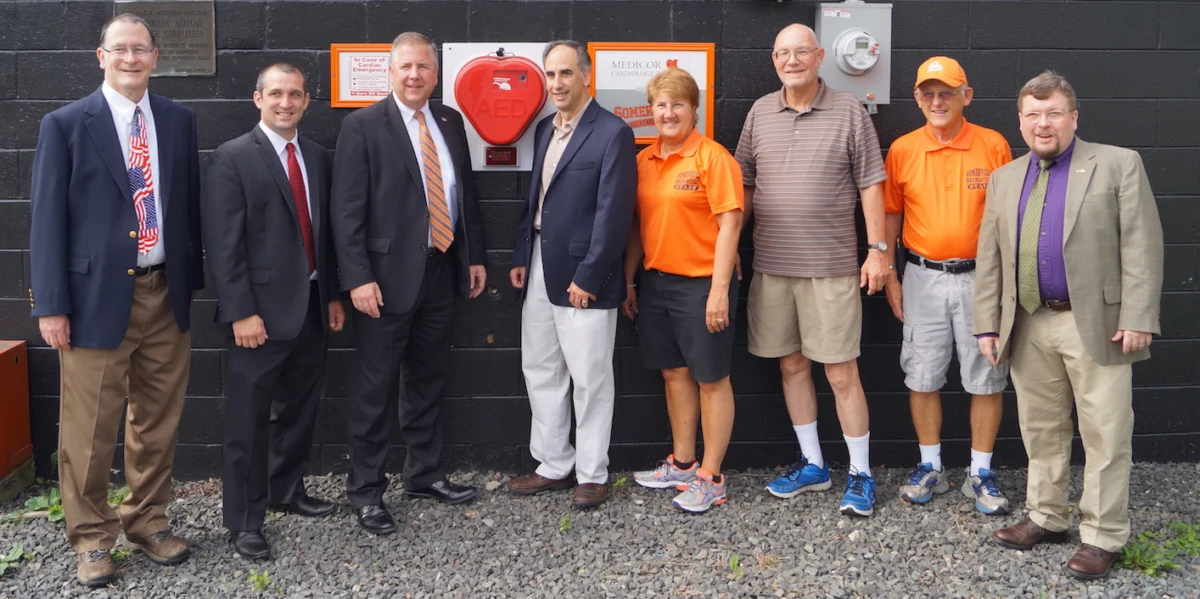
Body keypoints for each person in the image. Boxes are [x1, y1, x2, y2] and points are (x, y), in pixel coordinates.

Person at [28, 13, 203, 587]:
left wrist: (190, 283)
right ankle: (91, 538)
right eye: (119, 50)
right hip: (92, 300)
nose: (131, 59)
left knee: (157, 420)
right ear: (99, 56)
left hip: (164, 294)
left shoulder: (178, 121)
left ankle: (148, 521)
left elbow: (189, 209)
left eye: (141, 50)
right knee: (88, 429)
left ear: (156, 57)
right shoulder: (65, 124)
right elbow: (47, 219)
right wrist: (51, 304)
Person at [975, 71, 1163, 579]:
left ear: (1073, 118)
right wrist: (986, 325)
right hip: (1028, 322)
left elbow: (1142, 246)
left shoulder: (1118, 164)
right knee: (1040, 428)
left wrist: (1138, 316)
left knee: (1105, 430)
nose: (1043, 123)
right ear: (1020, 121)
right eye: (1033, 115)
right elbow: (990, 257)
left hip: (1097, 323)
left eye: (1053, 112)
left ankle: (1102, 535)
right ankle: (1047, 516)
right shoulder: (1005, 177)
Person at [331, 32, 488, 535]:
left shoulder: (449, 121)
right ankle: (366, 491)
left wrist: (474, 256)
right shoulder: (362, 126)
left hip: (441, 270)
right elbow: (346, 210)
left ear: (435, 74)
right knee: (375, 389)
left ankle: (424, 474)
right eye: (406, 67)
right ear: (390, 72)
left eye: (423, 67)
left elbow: (465, 193)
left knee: (427, 380)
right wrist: (356, 277)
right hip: (383, 280)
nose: (415, 75)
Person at [734, 23, 888, 517]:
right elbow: (746, 187)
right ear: (773, 59)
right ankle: (814, 464)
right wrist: (731, 246)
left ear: (820, 56)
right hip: (773, 266)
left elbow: (870, 184)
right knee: (792, 365)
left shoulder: (849, 111)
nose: (792, 60)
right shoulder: (760, 112)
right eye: (782, 53)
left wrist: (878, 249)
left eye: (801, 51)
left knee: (841, 372)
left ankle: (861, 473)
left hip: (831, 267)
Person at [202, 63, 342, 560]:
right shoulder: (232, 158)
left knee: (299, 409)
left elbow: (325, 235)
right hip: (257, 316)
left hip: (309, 307)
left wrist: (330, 296)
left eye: (296, 95)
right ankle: (243, 521)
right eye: (276, 94)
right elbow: (224, 246)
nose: (286, 102)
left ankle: (287, 490)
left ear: (307, 101)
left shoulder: (319, 157)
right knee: (249, 420)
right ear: (257, 98)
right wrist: (241, 311)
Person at [507, 40, 637, 509]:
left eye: (565, 74)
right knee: (540, 366)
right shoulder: (545, 129)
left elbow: (614, 214)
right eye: (550, 75)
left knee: (590, 376)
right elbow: (535, 201)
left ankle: (591, 472)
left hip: (585, 273)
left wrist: (590, 274)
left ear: (586, 76)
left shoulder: (612, 132)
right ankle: (553, 463)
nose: (557, 84)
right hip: (541, 262)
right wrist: (523, 254)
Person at [882, 57, 1013, 514]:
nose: (937, 101)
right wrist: (891, 272)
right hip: (922, 276)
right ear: (917, 98)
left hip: (981, 276)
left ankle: (980, 472)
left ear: (966, 95)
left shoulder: (993, 146)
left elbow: (1007, 219)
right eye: (927, 93)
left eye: (946, 92)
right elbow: (892, 213)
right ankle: (930, 465)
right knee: (922, 372)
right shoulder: (902, 149)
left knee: (987, 376)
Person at [626, 68, 744, 514]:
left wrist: (718, 291)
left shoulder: (713, 158)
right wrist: (629, 279)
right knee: (674, 373)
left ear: (694, 109)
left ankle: (711, 476)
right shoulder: (644, 161)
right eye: (660, 105)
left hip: (702, 285)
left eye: (678, 104)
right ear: (650, 111)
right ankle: (682, 462)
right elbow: (638, 228)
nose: (668, 112)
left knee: (712, 378)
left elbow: (731, 224)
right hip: (657, 283)